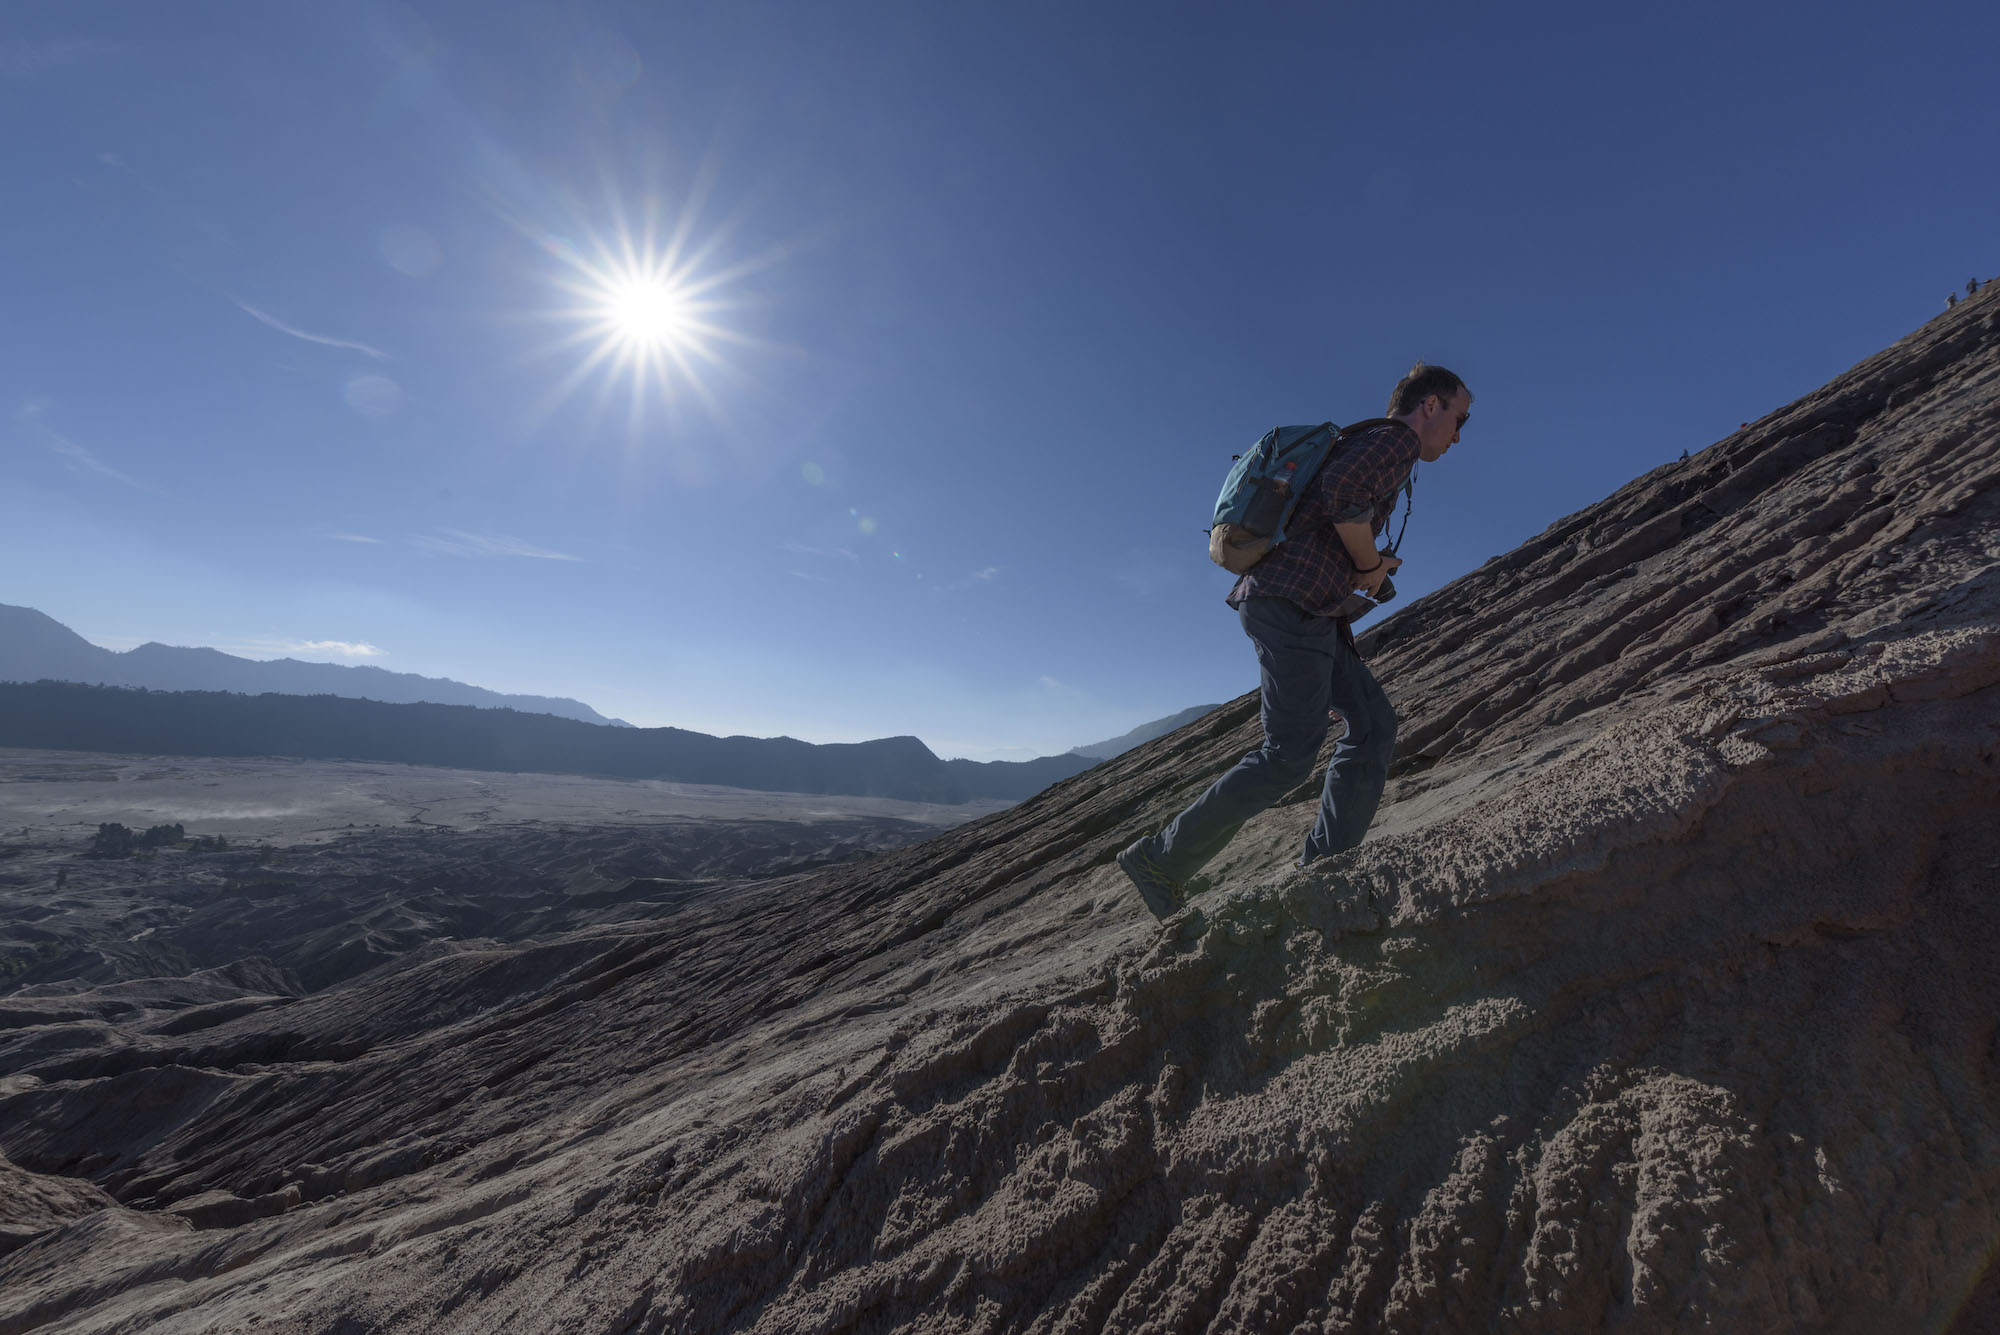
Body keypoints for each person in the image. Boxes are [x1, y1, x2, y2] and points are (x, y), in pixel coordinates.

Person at [1118, 363, 1472, 918]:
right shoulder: (1394, 439)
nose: (1458, 434)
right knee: (1288, 755)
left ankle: (1326, 866)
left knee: (1374, 725)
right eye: (1458, 417)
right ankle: (1159, 860)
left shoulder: (1372, 442)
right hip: (1292, 604)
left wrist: (1367, 569)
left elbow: (1331, 516)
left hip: (1307, 609)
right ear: (1430, 405)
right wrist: (1371, 563)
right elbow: (1342, 492)